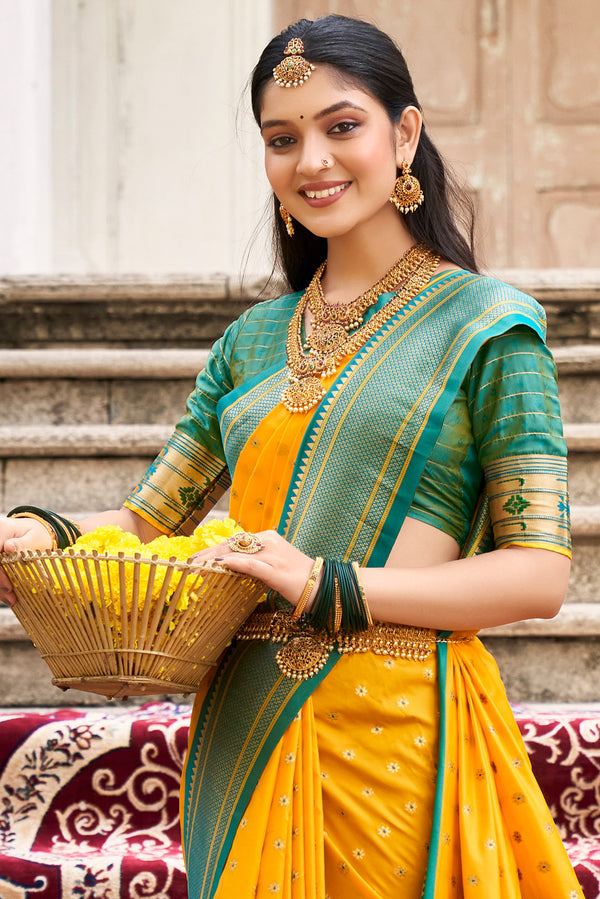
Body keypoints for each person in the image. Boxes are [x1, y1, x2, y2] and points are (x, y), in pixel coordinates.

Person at [0, 14, 583, 899]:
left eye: (341, 126)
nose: (312, 160)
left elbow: (539, 573)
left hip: (391, 735)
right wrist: (38, 532)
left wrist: (327, 584)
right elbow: (145, 522)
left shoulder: (489, 328)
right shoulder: (252, 341)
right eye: (283, 138)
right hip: (242, 729)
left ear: (406, 135)